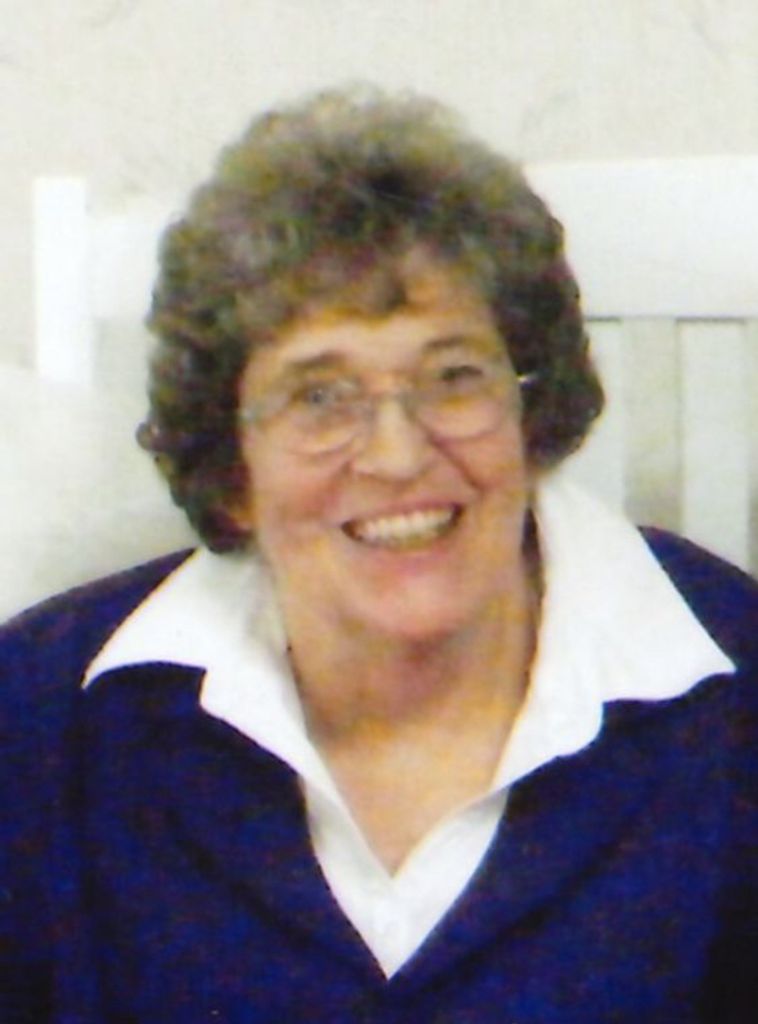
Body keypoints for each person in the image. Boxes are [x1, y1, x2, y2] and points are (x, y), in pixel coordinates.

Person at [1, 86, 756, 1024]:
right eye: (319, 397)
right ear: (230, 462)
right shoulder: (38, 725)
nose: (397, 455)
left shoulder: (731, 709)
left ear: (532, 410)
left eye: (454, 377)